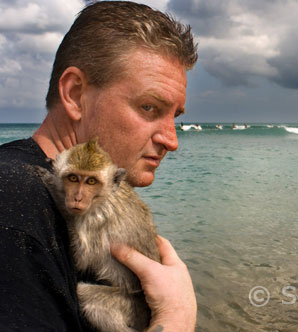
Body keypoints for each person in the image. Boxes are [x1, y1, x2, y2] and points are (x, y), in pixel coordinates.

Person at [0, 2, 198, 332]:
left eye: (174, 116)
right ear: (76, 95)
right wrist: (177, 315)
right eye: (149, 107)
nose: (171, 140)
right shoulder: (13, 200)